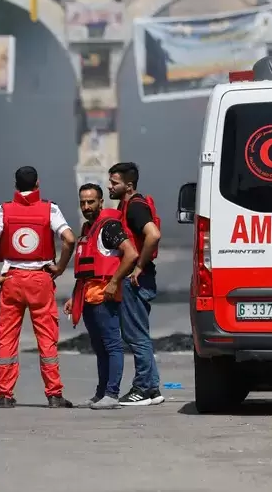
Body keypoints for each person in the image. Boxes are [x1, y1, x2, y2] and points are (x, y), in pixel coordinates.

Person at [0, 166, 76, 409]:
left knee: (7, 337)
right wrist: (61, 267)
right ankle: (54, 394)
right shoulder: (50, 209)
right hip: (41, 279)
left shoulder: (3, 210)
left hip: (12, 279)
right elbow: (69, 239)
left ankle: (4, 394)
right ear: (38, 184)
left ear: (15, 184)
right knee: (46, 338)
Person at [63, 184, 139, 410]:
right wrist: (73, 298)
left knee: (112, 346)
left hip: (104, 297)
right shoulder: (88, 229)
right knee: (99, 347)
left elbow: (131, 253)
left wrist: (114, 282)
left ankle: (112, 394)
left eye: (91, 202)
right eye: (83, 202)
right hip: (87, 297)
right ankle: (100, 394)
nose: (86, 206)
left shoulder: (109, 227)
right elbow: (86, 270)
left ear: (100, 202)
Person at [106, 162, 164, 406]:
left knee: (136, 335)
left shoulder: (135, 207)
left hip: (135, 279)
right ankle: (152, 389)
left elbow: (153, 235)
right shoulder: (129, 205)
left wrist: (138, 266)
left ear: (128, 186)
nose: (109, 186)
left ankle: (142, 387)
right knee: (138, 334)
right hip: (138, 277)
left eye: (114, 183)